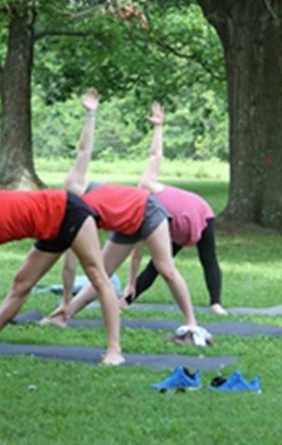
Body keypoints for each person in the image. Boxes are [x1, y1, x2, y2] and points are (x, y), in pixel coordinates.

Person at [0, 69, 124, 365]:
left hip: (69, 211)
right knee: (21, 284)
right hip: (49, 232)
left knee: (97, 276)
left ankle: (114, 351)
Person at [44, 89, 211, 345]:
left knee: (165, 268)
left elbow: (84, 150)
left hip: (147, 211)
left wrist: (90, 114)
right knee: (99, 272)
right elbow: (70, 263)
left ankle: (192, 323)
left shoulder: (73, 184)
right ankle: (64, 316)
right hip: (125, 224)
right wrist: (66, 299)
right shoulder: (71, 215)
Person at [122, 102, 226, 314]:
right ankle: (126, 301)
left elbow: (155, 154)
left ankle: (216, 303)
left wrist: (158, 127)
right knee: (158, 265)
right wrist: (130, 283)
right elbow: (136, 254)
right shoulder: (139, 217)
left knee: (208, 258)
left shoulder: (145, 185)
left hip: (200, 213)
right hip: (175, 228)